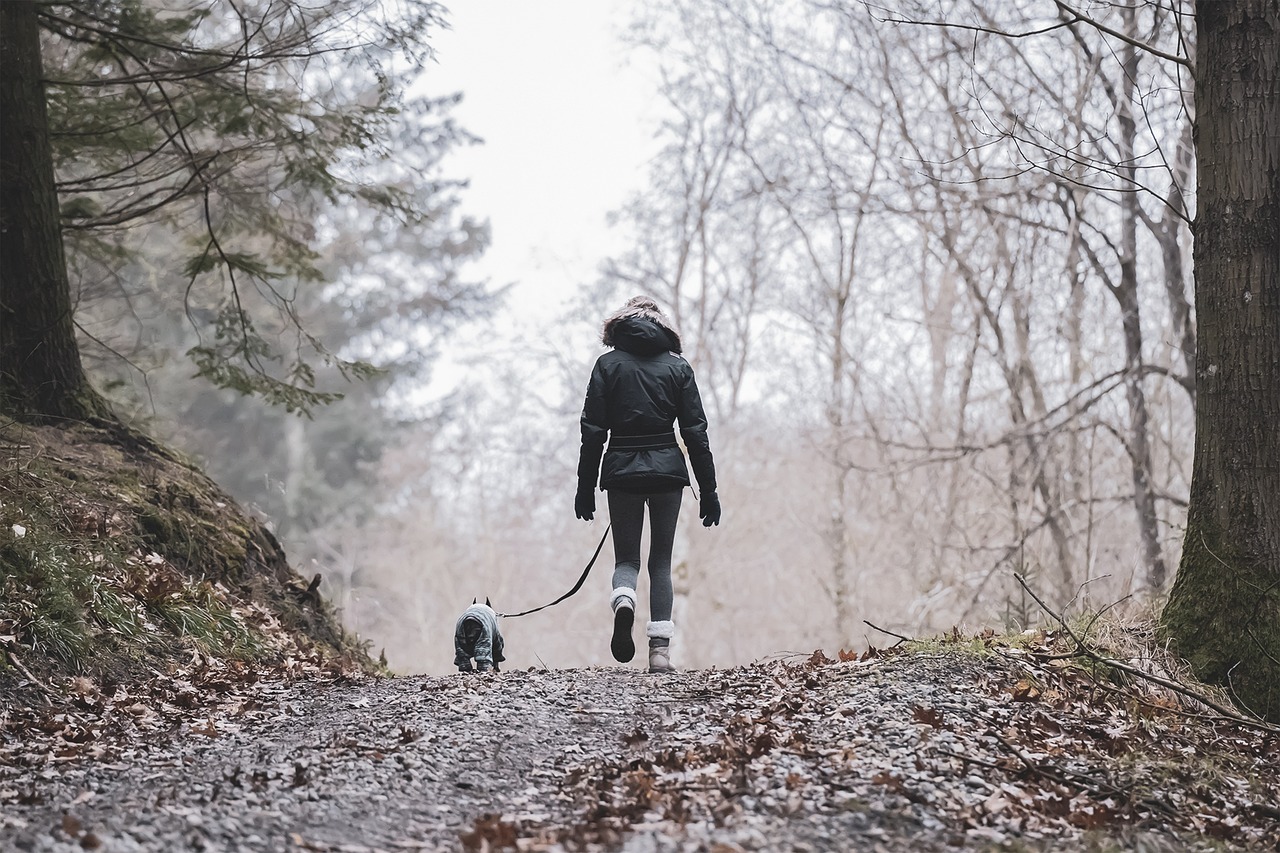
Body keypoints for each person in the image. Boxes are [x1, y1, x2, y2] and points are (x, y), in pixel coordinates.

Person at [575, 295, 720, 673]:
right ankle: (659, 653)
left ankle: (624, 598)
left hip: (621, 469)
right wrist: (709, 490)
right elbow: (695, 432)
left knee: (627, 559)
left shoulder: (606, 365)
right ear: (663, 328)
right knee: (661, 562)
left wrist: (585, 486)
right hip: (667, 472)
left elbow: (592, 431)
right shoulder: (678, 368)